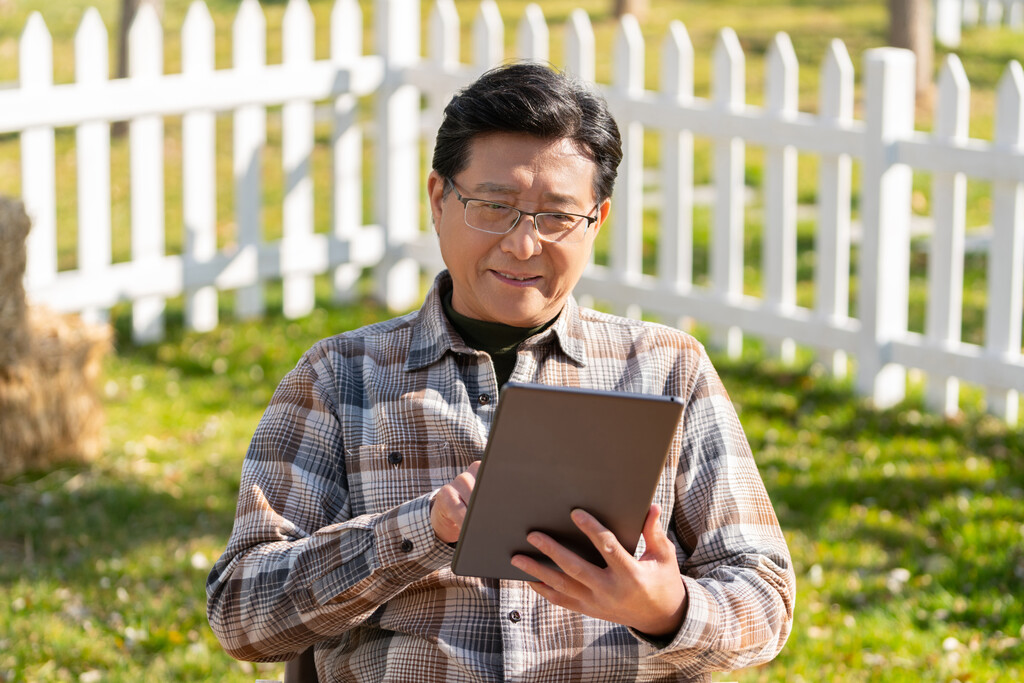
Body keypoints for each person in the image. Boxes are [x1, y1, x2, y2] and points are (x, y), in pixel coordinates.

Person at [207, 62, 795, 683]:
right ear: (439, 198)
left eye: (557, 216)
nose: (523, 245)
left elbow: (765, 597)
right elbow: (242, 614)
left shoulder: (666, 370)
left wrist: (664, 608)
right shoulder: (339, 378)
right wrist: (422, 530)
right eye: (495, 206)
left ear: (599, 220)